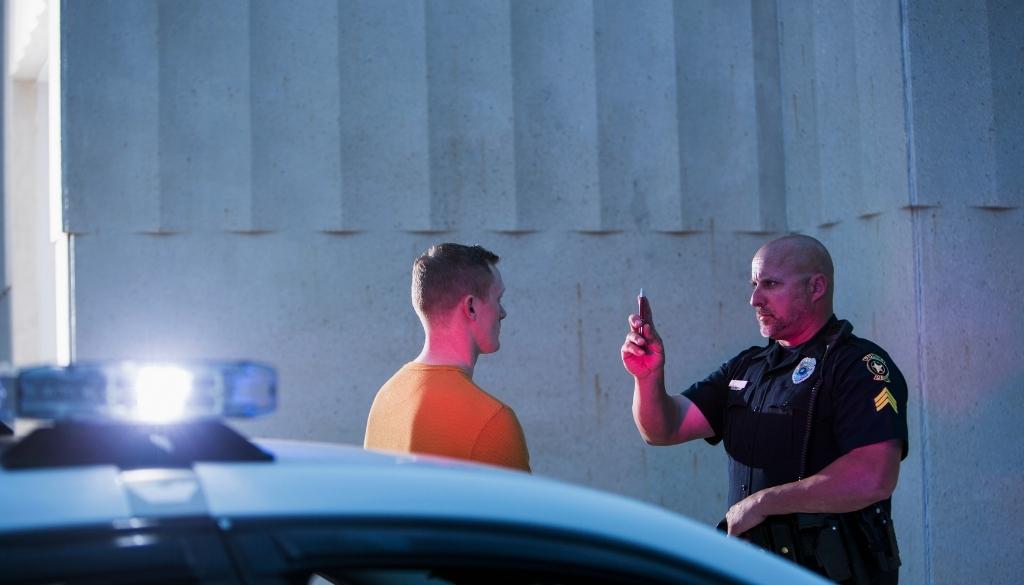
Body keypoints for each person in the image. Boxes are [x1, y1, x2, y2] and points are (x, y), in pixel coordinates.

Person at [621, 235, 907, 584]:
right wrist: (648, 377)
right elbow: (663, 429)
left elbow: (873, 477)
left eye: (770, 284)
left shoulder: (858, 365)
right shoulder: (747, 368)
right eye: (755, 285)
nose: (754, 299)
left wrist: (762, 504)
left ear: (816, 287)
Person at [364, 243, 530, 472]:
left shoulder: (386, 396)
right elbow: (517, 508)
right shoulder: (493, 422)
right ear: (471, 307)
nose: (503, 313)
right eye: (498, 299)